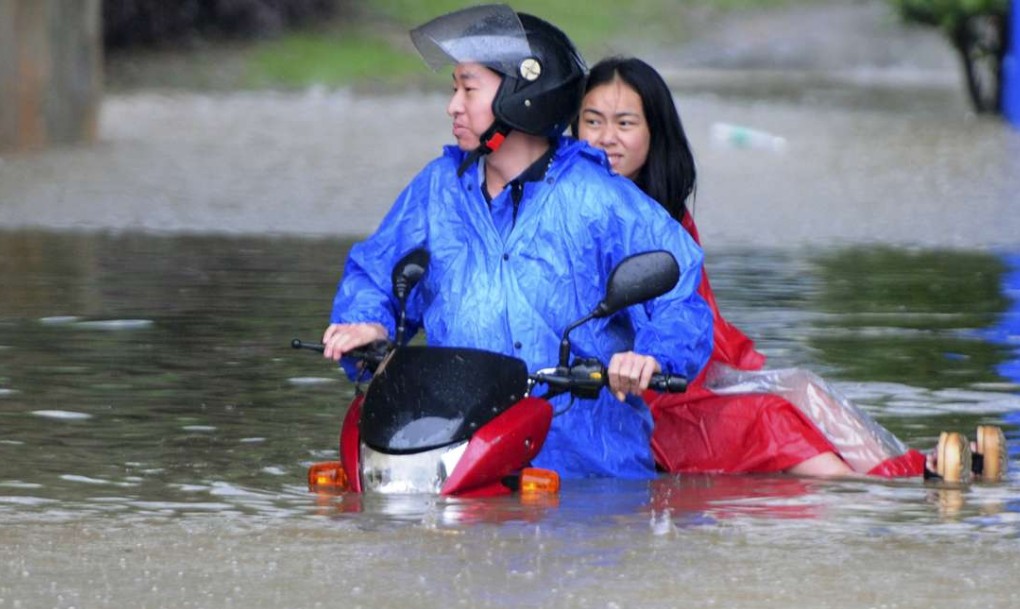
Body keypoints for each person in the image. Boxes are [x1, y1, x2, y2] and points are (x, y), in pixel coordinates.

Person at [321, 7, 714, 480]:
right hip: (455, 455)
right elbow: (375, 274)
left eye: (469, 89)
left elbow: (681, 300)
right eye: (454, 89)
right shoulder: (436, 190)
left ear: (524, 96)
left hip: (585, 471)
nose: (453, 106)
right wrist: (368, 324)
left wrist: (650, 355)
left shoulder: (600, 198)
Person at [573, 56, 1006, 482]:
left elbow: (689, 317)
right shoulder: (572, 209)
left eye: (625, 124)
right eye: (593, 122)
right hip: (628, 393)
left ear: (654, 133)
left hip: (676, 370)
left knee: (801, 386)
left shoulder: (668, 217)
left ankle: (907, 467)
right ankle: (887, 487)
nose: (607, 137)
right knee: (769, 415)